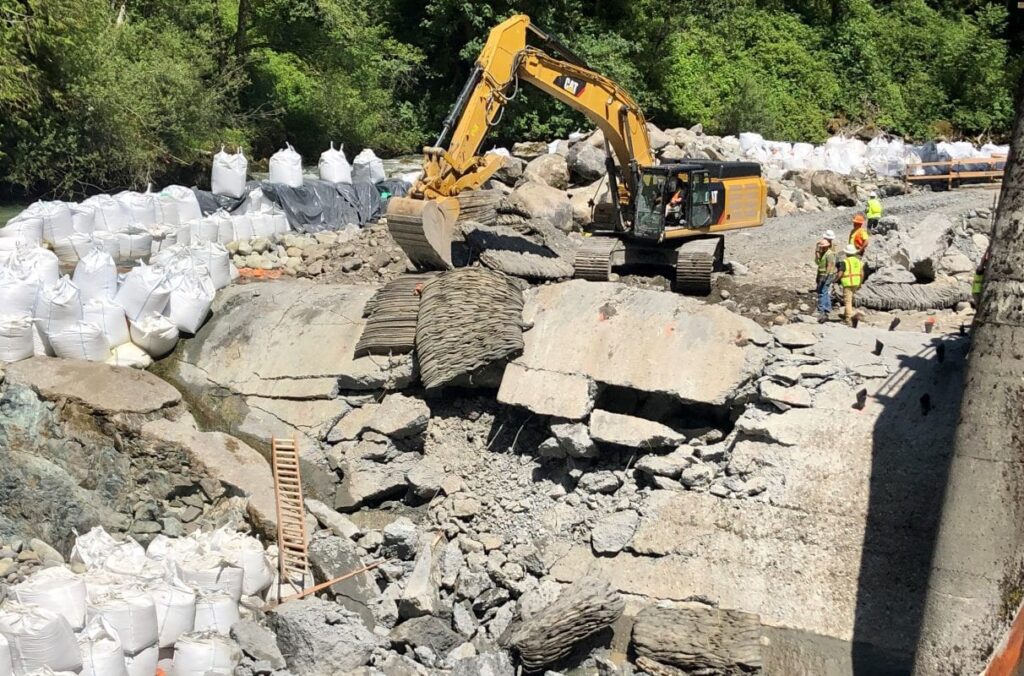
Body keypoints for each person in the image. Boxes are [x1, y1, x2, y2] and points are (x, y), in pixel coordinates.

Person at [839, 243, 863, 325]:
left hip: (847, 283)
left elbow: (840, 273)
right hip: (856, 283)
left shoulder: (844, 262)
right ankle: (846, 314)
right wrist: (860, 283)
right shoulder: (858, 261)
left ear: (846, 253)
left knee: (847, 301)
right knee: (850, 300)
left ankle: (849, 319)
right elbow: (862, 273)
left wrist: (835, 279)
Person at [815, 231, 837, 318]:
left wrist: (826, 275)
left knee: (822, 291)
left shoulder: (829, 253)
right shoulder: (824, 252)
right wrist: (817, 252)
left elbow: (830, 264)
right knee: (825, 291)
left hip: (826, 274)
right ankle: (828, 308)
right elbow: (818, 261)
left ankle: (821, 309)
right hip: (822, 272)